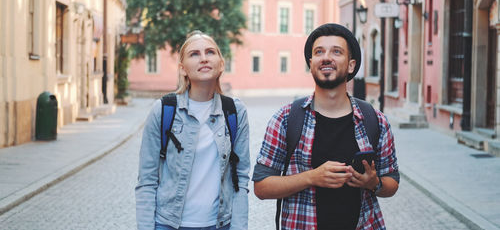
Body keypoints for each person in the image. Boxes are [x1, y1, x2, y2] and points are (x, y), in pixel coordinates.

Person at [252, 23, 399, 230]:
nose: (326, 57)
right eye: (319, 52)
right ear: (311, 63)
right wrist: (312, 177)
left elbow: (391, 182)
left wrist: (373, 183)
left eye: (336, 52)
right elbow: (262, 186)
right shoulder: (286, 119)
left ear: (351, 65)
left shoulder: (375, 120)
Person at [136, 31, 250, 230]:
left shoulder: (235, 112)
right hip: (168, 223)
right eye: (194, 54)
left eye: (210, 52)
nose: (204, 58)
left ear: (221, 63)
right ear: (183, 69)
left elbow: (240, 178)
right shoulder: (163, 110)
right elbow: (147, 181)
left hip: (219, 224)